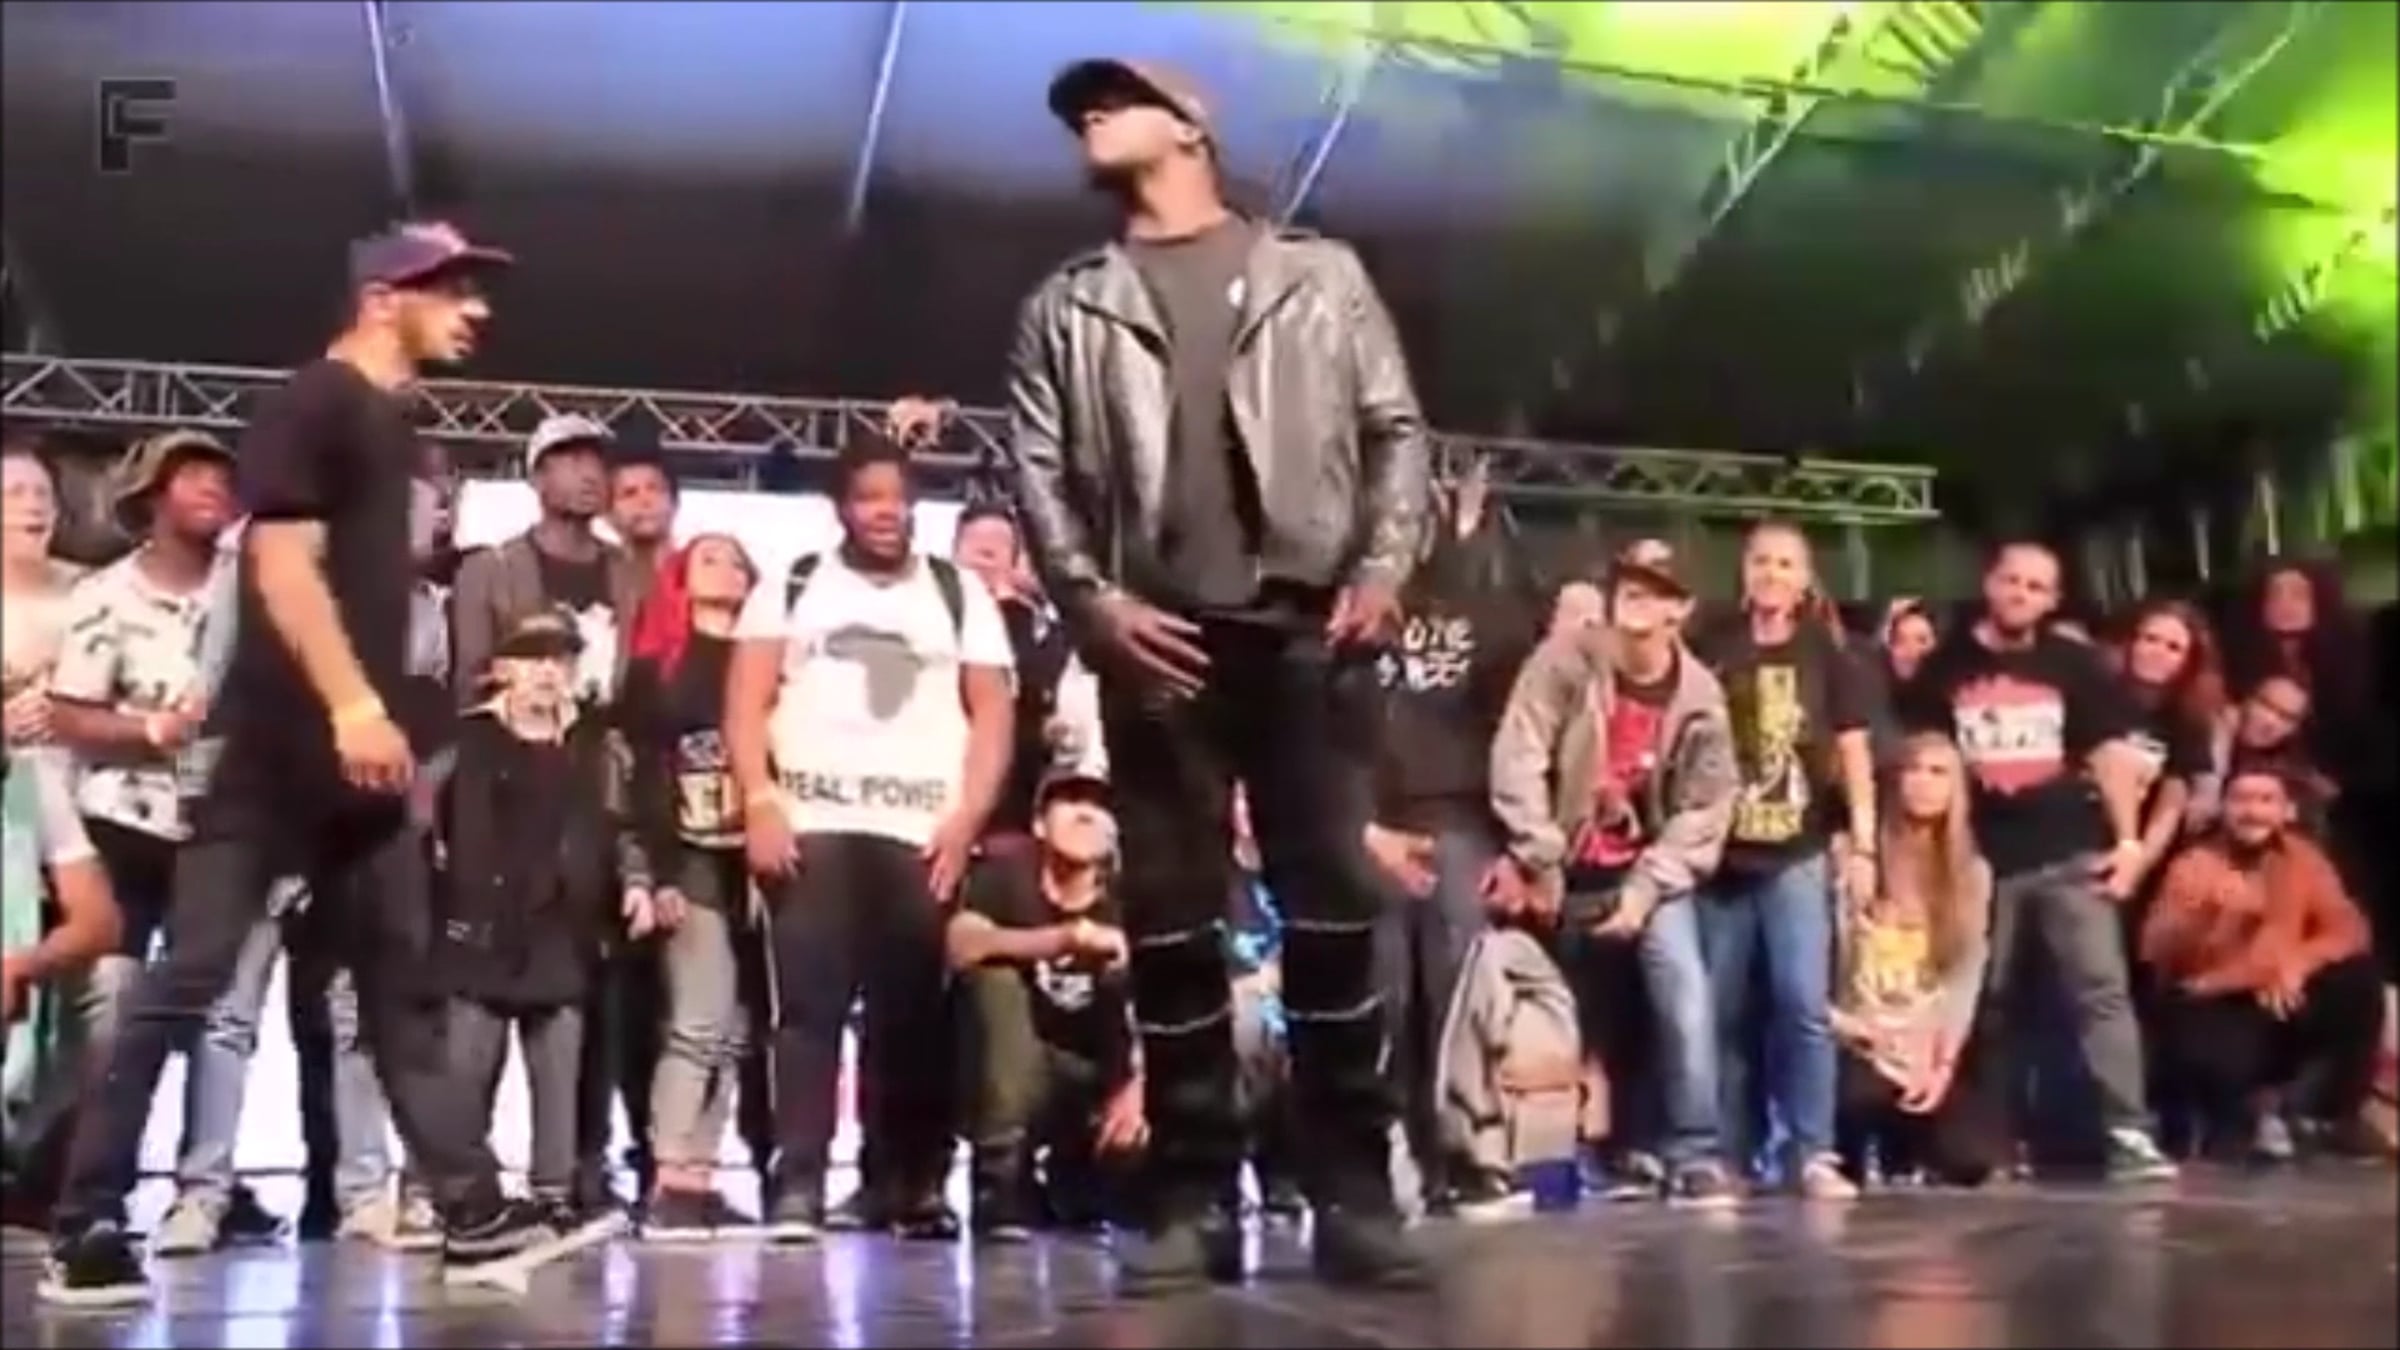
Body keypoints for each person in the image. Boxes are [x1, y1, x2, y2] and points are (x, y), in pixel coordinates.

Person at [35, 220, 569, 1305]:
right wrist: (353, 703)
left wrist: (395, 722)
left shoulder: (395, 431)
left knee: (400, 987)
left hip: (354, 775)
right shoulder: (314, 402)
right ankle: (84, 1222)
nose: (477, 311)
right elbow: (280, 561)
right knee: (189, 980)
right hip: (274, 756)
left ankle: (471, 1213)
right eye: (451, 289)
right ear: (382, 298)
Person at [1005, 56, 1432, 1292]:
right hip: (1158, 637)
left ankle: (1353, 1193)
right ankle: (1193, 1200)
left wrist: (1383, 566)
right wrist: (1093, 603)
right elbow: (1037, 472)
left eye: (1115, 98)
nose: (1090, 116)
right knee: (1173, 925)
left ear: (1191, 126)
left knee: (1332, 918)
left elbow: (1395, 430)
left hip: (1305, 631)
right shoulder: (1070, 304)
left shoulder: (1319, 273)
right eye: (1079, 108)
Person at [725, 437, 1015, 1243]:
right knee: (806, 1013)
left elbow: (993, 714)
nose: (886, 511)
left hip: (920, 832)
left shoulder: (957, 592)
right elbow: (745, 701)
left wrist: (966, 818)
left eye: (898, 497)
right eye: (869, 497)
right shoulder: (794, 585)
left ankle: (905, 1184)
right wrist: (760, 802)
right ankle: (798, 1185)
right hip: (813, 826)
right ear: (842, 507)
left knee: (912, 1016)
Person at [1898, 541, 2178, 1183]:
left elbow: (2109, 753)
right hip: (1980, 861)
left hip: (2068, 851)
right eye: (2012, 580)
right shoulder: (1946, 666)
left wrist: (2128, 842)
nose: (2021, 594)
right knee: (1983, 1003)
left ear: (2052, 599)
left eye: (2036, 586)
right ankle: (1986, 1144)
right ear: (1989, 583)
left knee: (2100, 993)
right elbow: (1923, 759)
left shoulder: (2073, 664)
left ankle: (2129, 1132)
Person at [1487, 547, 1739, 1207]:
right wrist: (1539, 856)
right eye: (1630, 585)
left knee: (1682, 990)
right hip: (1563, 862)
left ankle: (1694, 1152)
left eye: (1656, 590)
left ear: (1680, 609)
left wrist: (1646, 889)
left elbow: (1704, 810)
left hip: (1645, 868)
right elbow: (1520, 753)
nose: (1637, 598)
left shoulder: (1700, 697)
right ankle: (1548, 1153)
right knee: (1561, 1014)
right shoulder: (1566, 660)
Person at [454, 413, 658, 1216]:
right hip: (515, 784)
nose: (585, 474)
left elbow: (641, 689)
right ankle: (464, 1185)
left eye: (595, 461)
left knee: (595, 996)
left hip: (602, 780)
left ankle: (580, 1167)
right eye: (567, 460)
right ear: (536, 476)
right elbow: (470, 681)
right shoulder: (495, 568)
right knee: (491, 1002)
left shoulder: (629, 573)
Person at [1367, 456, 1537, 1213]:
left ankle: (1463, 1156)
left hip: (1461, 824)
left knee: (1457, 999)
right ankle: (1388, 1158)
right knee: (1386, 999)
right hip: (1375, 829)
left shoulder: (1490, 616)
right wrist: (1362, 830)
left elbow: (1519, 737)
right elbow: (1326, 734)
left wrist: (1517, 851)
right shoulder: (1359, 610)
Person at [440, 609, 640, 1245]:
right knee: (466, 1074)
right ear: (502, 669)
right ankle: (460, 1197)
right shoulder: (465, 740)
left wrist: (635, 881)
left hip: (564, 929)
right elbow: (427, 828)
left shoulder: (593, 744)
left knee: (560, 1077)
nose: (548, 672)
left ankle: (555, 1192)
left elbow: (621, 821)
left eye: (559, 659)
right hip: (481, 931)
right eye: (532, 658)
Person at [1691, 521, 1877, 1200]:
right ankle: (1726, 1154)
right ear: (1745, 572)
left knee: (1802, 1002)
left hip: (1797, 849)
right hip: (1720, 856)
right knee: (1720, 1008)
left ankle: (1812, 1151)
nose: (1772, 574)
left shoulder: (1827, 653)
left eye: (1786, 564)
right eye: (1762, 562)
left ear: (1804, 580)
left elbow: (1854, 750)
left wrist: (1864, 843)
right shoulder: (1712, 645)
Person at [619, 533, 768, 1240]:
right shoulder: (659, 666)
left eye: (738, 560)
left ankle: (701, 1174)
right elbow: (644, 776)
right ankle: (669, 1174)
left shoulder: (766, 661)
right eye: (710, 558)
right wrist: (659, 871)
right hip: (690, 855)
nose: (727, 569)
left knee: (737, 1031)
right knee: (697, 1019)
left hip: (756, 861)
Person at [2142, 764, 2383, 1161]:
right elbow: (2156, 953)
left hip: (2281, 991)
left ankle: (2331, 1118)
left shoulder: (2304, 858)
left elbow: (2350, 928)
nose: (2252, 812)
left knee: (2357, 983)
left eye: (2265, 800)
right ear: (2223, 808)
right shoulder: (2195, 864)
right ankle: (2232, 1117)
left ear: (2287, 811)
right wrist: (2204, 913)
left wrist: (2298, 963)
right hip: (2219, 1000)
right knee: (2223, 1116)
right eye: (2241, 800)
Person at [948, 769, 1139, 1240]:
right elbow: (961, 944)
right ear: (1038, 823)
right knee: (994, 982)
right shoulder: (1006, 878)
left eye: (1099, 806)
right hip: (1011, 1071)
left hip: (1097, 1082)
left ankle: (1078, 1177)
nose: (1086, 814)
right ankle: (999, 1181)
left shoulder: (1134, 898)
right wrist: (1065, 939)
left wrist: (1141, 1088)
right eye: (1070, 801)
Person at [1830, 735, 1993, 1187]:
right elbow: (1812, 965)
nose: (1923, 783)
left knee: (1971, 1160)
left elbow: (1964, 980)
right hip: (1855, 1039)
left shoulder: (1972, 875)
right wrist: (1846, 1027)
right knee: (1858, 1106)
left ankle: (1904, 1147)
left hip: (1920, 1046)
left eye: (1938, 773)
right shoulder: (1850, 858)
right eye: (1914, 769)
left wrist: (1941, 1065)